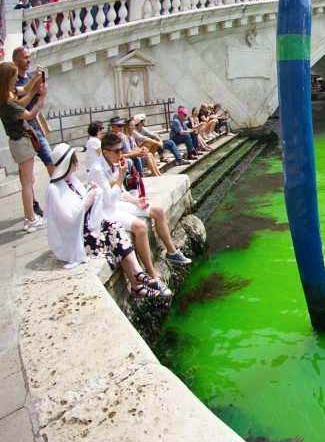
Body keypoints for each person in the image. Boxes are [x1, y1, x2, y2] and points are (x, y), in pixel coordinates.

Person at [45, 143, 161, 297]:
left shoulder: (71, 180)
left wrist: (88, 191)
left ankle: (137, 277)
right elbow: (69, 218)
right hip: (75, 237)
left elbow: (80, 202)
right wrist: (88, 199)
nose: (77, 162)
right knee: (111, 240)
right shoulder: (54, 189)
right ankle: (137, 282)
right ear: (67, 163)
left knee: (116, 228)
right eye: (74, 159)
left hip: (86, 227)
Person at [89, 131, 191, 295]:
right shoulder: (98, 170)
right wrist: (121, 175)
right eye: (117, 151)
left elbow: (121, 192)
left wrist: (136, 201)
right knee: (140, 227)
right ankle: (153, 278)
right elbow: (108, 198)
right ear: (106, 152)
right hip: (105, 210)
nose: (120, 154)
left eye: (121, 149)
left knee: (157, 209)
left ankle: (172, 252)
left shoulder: (114, 163)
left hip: (117, 204)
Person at [0, 62, 46, 232]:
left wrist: (35, 82)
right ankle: (31, 219)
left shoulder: (9, 93)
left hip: (19, 140)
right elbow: (29, 114)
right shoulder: (7, 102)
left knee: (29, 180)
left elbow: (25, 91)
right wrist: (41, 99)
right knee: (27, 183)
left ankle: (29, 217)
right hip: (20, 140)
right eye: (14, 77)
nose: (16, 79)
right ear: (8, 79)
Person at [12, 47, 54, 216]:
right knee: (27, 175)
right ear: (15, 60)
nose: (28, 60)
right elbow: (20, 104)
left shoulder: (30, 78)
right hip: (23, 129)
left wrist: (41, 90)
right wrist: (36, 92)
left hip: (34, 125)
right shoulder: (12, 82)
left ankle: (61, 192)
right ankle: (33, 205)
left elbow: (36, 100)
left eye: (29, 57)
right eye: (25, 57)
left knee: (50, 158)